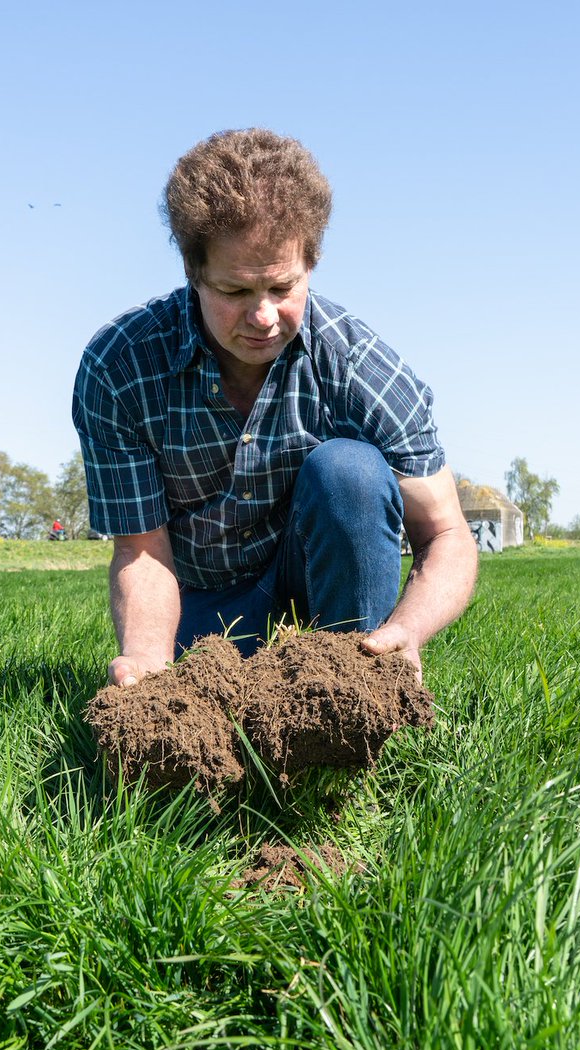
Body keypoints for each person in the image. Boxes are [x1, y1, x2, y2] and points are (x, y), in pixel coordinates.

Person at [73, 128, 477, 688]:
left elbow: (448, 535)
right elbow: (142, 548)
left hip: (311, 584)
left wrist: (410, 626)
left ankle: (351, 683)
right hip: (202, 607)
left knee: (351, 472)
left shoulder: (361, 367)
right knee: (190, 694)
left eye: (282, 288)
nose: (263, 317)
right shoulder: (122, 367)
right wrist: (146, 657)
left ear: (311, 263)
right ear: (193, 274)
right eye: (236, 292)